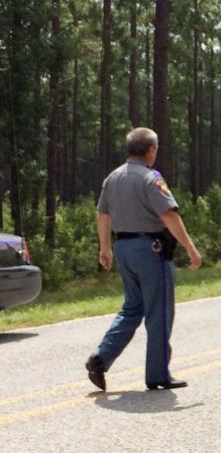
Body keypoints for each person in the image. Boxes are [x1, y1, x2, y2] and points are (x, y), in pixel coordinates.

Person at [85, 127, 202, 391]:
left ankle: (101, 357)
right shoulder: (151, 178)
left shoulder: (112, 178)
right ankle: (158, 374)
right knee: (159, 311)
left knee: (132, 308)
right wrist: (191, 249)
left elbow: (103, 215)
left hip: (124, 249)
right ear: (151, 150)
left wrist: (105, 248)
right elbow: (169, 216)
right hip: (150, 250)